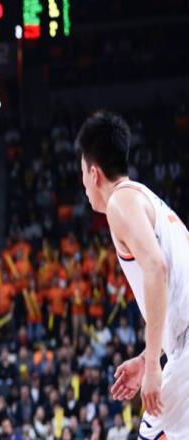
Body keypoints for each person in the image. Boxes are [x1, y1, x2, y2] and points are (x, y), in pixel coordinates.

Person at [76, 111, 189, 439]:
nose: (83, 185)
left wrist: (153, 365)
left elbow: (157, 269)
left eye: (82, 174)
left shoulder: (121, 203)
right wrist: (145, 358)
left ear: (94, 173)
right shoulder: (144, 199)